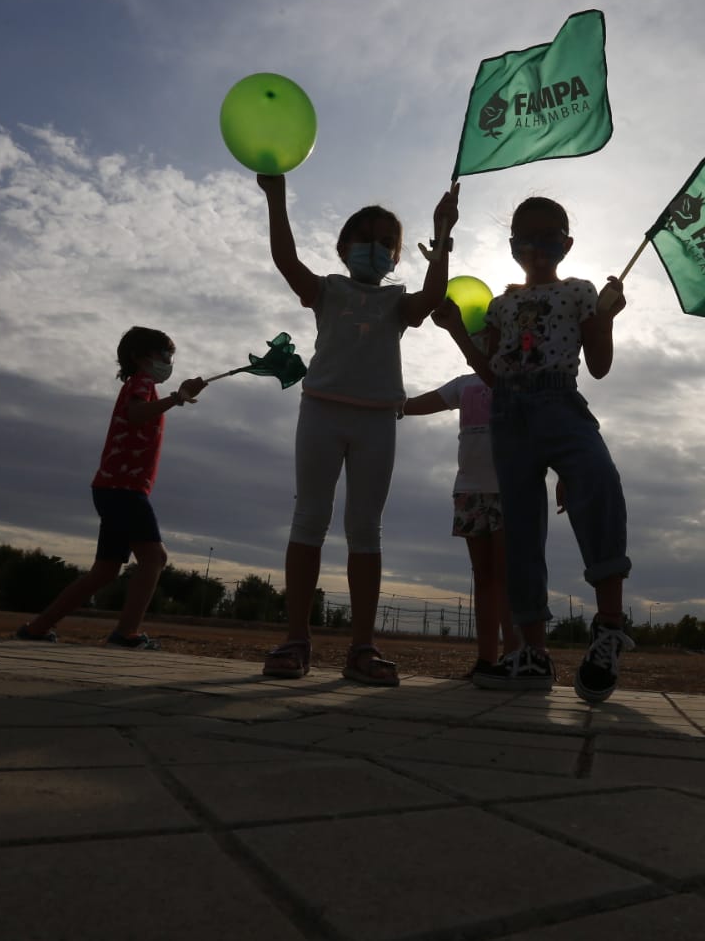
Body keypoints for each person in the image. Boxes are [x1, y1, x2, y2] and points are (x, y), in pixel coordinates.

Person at [257, 172, 458, 685]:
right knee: (309, 520)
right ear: (343, 247)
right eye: (366, 239)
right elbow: (286, 260)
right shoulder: (326, 290)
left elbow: (433, 297)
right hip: (321, 412)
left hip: (377, 420)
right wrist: (276, 196)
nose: (377, 248)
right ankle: (297, 640)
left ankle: (361, 648)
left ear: (397, 257)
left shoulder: (398, 302)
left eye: (387, 243)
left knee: (365, 529)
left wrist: (441, 242)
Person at [438, 196, 635, 703]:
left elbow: (599, 365)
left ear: (567, 244)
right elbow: (491, 373)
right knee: (521, 531)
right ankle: (531, 652)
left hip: (561, 403)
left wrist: (607, 318)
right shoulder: (501, 305)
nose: (538, 246)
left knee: (599, 480)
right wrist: (460, 330)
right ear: (512, 248)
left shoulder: (581, 291)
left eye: (550, 237)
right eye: (527, 238)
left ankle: (609, 628)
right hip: (509, 414)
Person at [16, 327, 205, 650]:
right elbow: (134, 415)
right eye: (163, 355)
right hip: (123, 488)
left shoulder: (142, 386)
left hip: (113, 487)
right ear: (138, 357)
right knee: (154, 558)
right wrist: (177, 398)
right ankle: (126, 633)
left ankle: (37, 628)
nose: (168, 362)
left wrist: (176, 397)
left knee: (105, 570)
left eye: (170, 356)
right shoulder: (142, 384)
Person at [401, 307, 518, 684]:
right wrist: (382, 400)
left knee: (507, 577)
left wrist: (455, 331)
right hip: (469, 491)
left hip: (509, 491)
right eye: (480, 333)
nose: (486, 339)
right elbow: (415, 405)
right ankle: (486, 660)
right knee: (483, 578)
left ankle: (516, 658)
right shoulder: (462, 385)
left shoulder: (515, 378)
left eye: (491, 333)